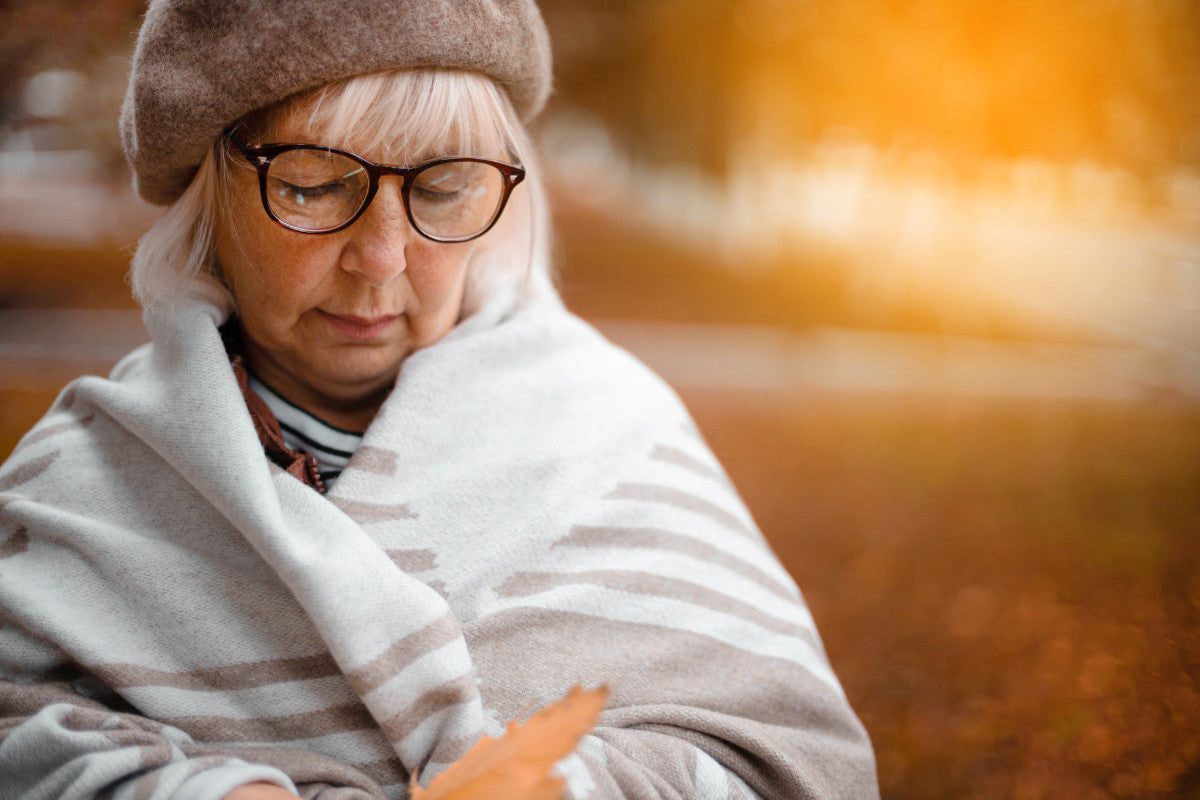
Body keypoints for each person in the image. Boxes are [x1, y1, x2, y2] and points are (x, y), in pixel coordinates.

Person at [0, 1, 880, 798]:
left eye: (446, 187)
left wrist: (566, 788)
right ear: (207, 190)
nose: (382, 258)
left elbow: (792, 765)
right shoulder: (76, 484)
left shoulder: (617, 437)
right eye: (311, 184)